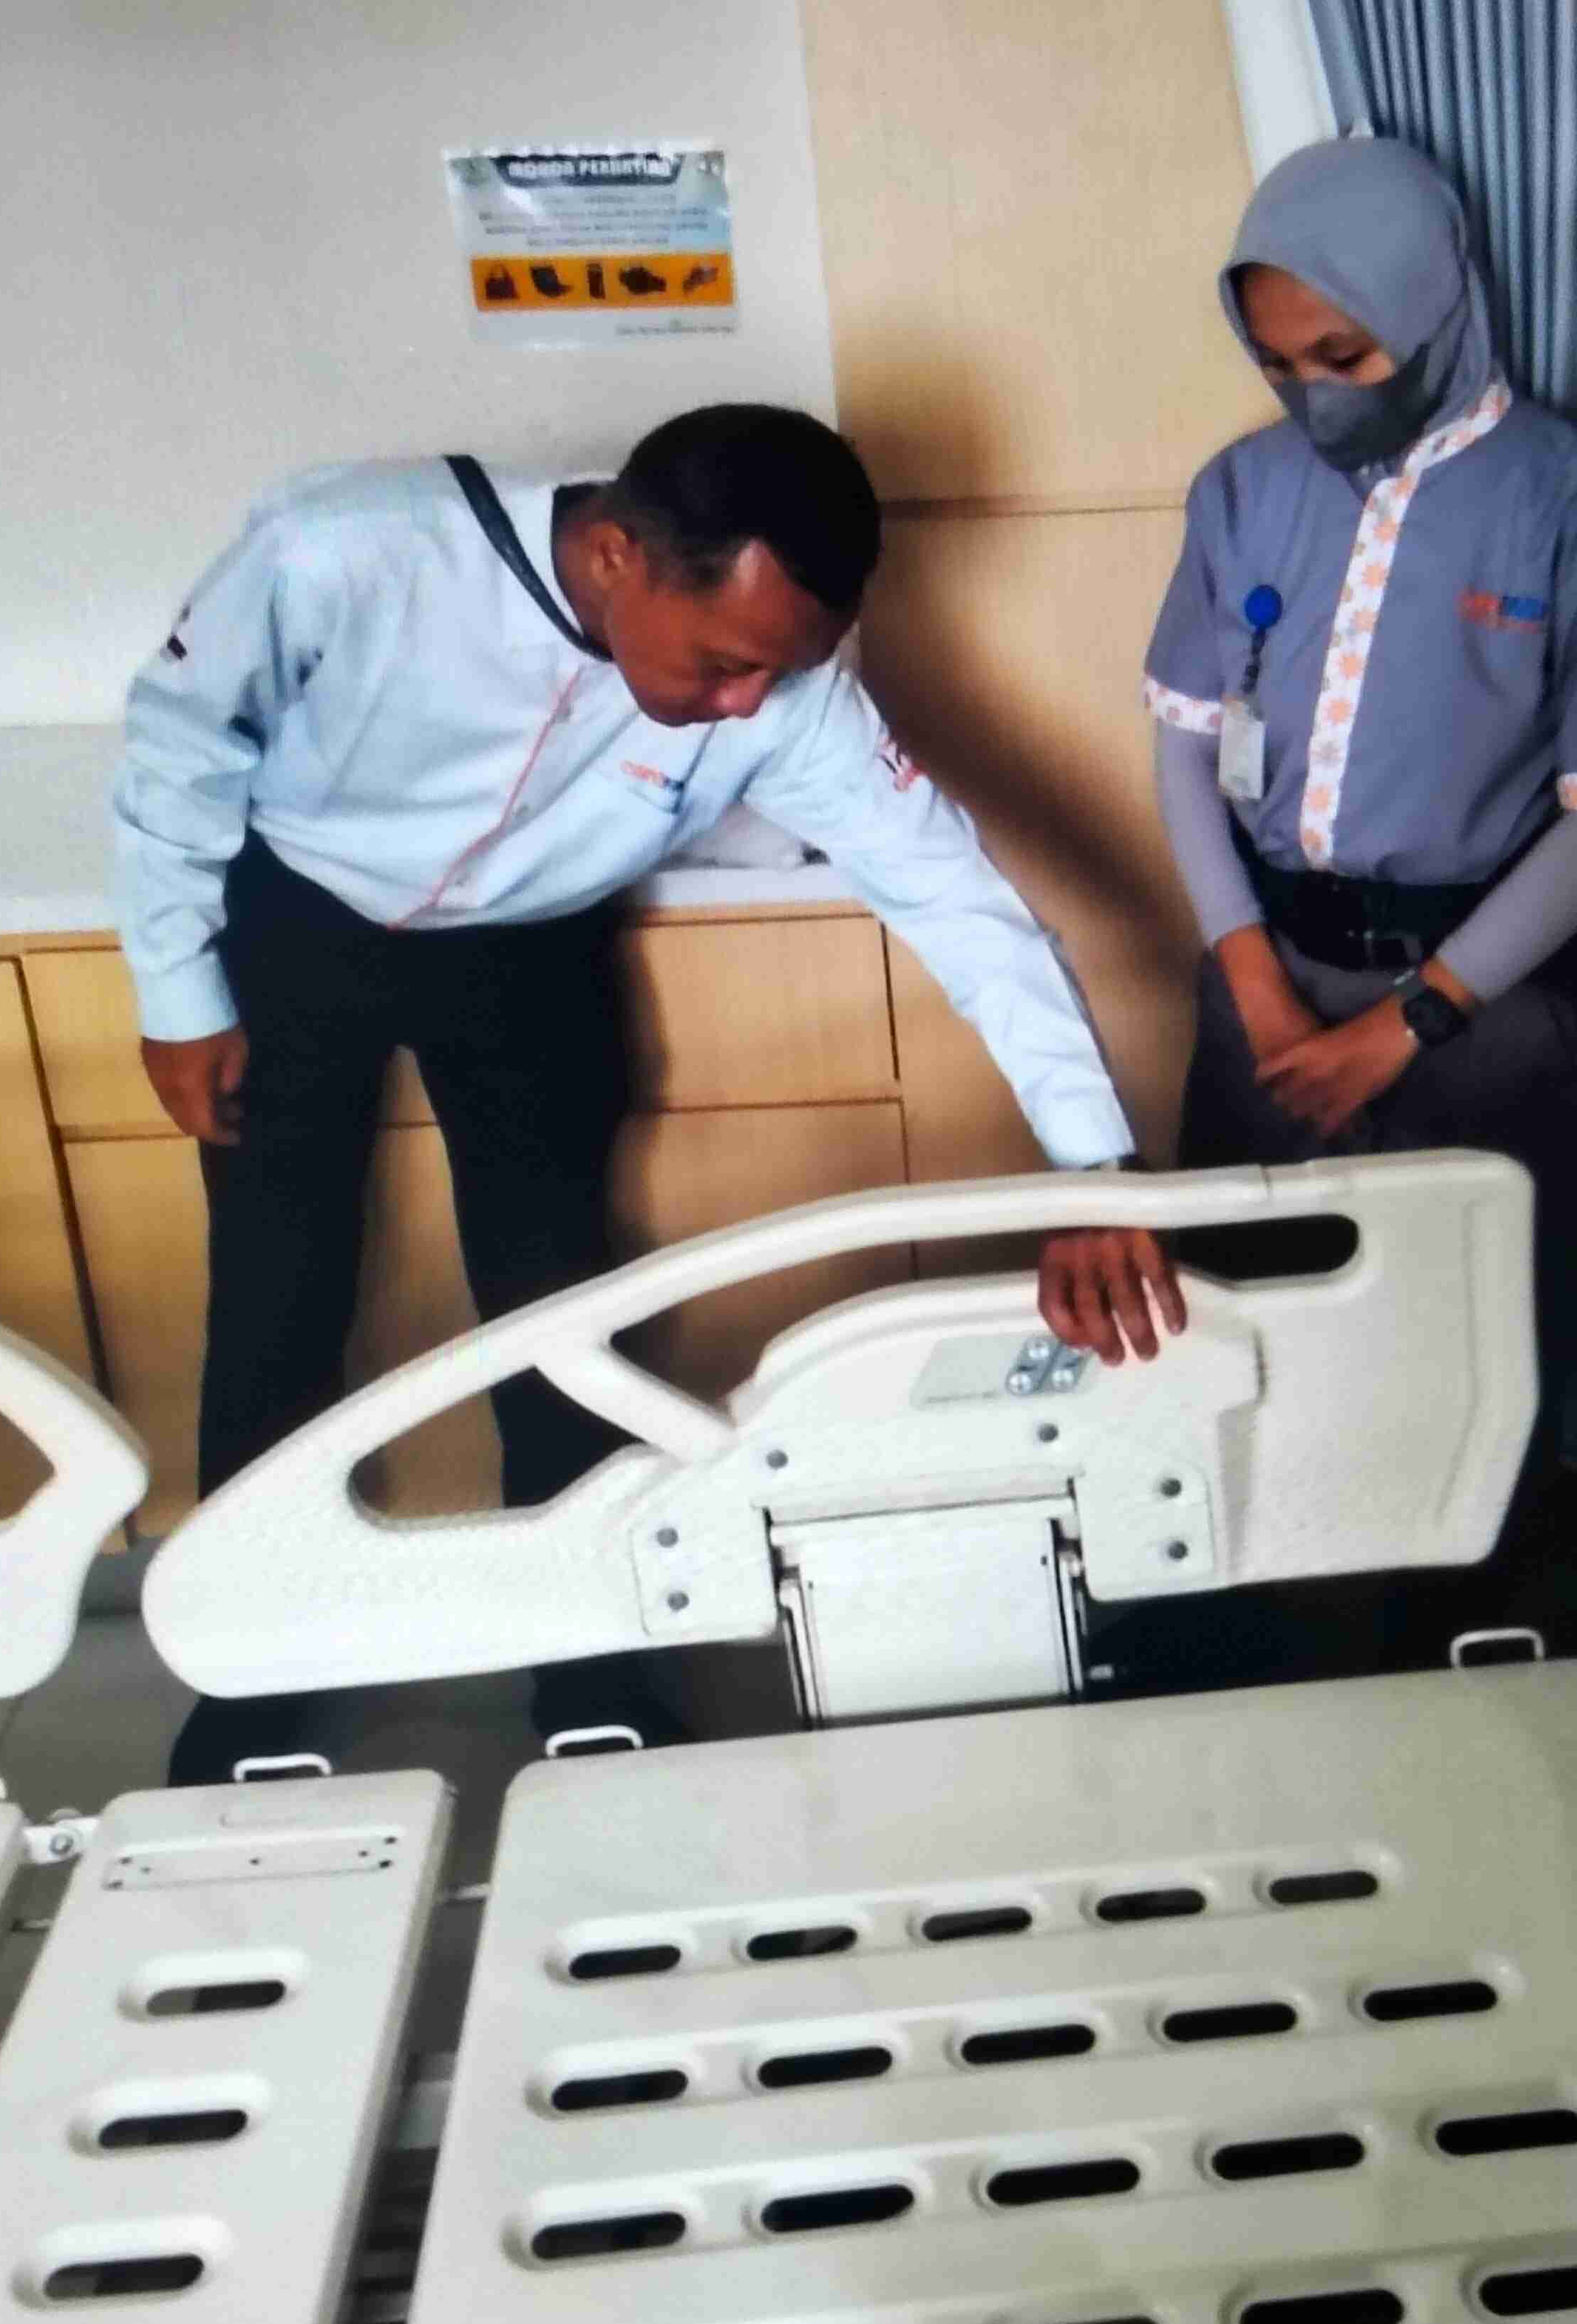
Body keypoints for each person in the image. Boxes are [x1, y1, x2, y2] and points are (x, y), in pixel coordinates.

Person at [115, 404, 1182, 1786]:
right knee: (278, 1289)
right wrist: (177, 987)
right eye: (726, 662)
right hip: (299, 920)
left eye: (779, 672)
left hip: (530, 953)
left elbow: (962, 905)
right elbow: (179, 740)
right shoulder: (348, 547)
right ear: (618, 555)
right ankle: (252, 1667)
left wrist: (1094, 1171)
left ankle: (591, 1662)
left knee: (558, 1307)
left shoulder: (787, 696)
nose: (747, 705)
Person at [1144, 138, 1577, 1470]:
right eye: (1280, 364)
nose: (1312, 395)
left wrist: (1411, 1025)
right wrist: (1258, 991)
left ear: (1437, 306)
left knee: (1470, 1379)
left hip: (1480, 1009)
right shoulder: (1242, 493)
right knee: (1245, 1361)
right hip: (1265, 989)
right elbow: (1184, 752)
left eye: (1343, 356)